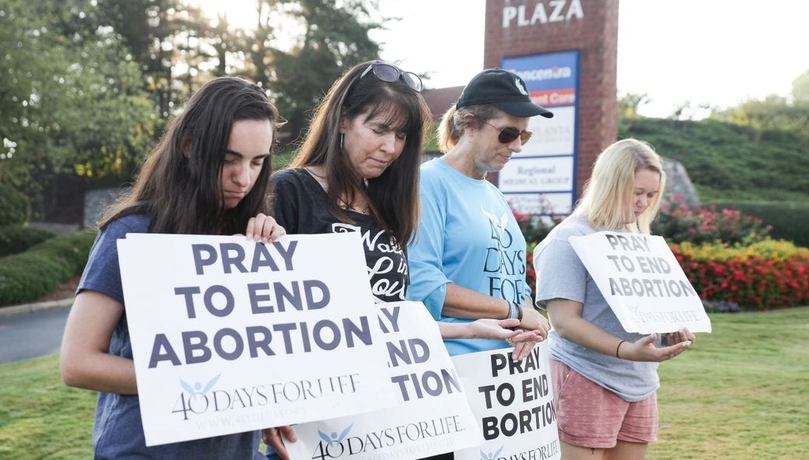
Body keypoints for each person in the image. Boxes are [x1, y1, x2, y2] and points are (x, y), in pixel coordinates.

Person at [264, 61, 543, 460]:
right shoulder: (289, 191)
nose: (390, 147)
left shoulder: (390, 202)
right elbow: (265, 318)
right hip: (322, 424)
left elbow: (392, 317)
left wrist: (473, 329)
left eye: (401, 135)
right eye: (378, 130)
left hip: (397, 414)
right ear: (342, 121)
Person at [59, 76, 285, 459]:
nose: (244, 178)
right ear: (189, 145)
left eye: (257, 162)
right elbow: (77, 363)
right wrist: (203, 383)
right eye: (228, 159)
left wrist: (270, 258)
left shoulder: (247, 235)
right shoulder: (132, 232)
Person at [532, 138, 695, 460]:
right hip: (585, 376)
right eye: (637, 192)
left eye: (651, 195)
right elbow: (564, 323)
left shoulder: (638, 242)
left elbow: (643, 309)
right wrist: (626, 350)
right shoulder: (568, 240)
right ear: (610, 184)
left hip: (640, 381)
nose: (643, 203)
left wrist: (670, 329)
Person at [406, 68, 552, 359]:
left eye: (525, 135)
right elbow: (424, 284)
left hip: (504, 371)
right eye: (509, 133)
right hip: (456, 365)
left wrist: (529, 319)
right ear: (470, 124)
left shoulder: (493, 194)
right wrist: (516, 312)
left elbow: (513, 280)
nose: (518, 146)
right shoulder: (428, 183)